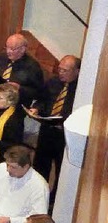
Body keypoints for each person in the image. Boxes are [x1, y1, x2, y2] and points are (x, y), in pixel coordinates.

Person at [30, 55, 80, 199]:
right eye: (60, 69)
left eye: (65, 70)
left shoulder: (81, 90)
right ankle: (37, 194)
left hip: (64, 135)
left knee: (61, 169)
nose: (61, 73)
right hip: (47, 130)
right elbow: (41, 99)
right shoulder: (53, 82)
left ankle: (55, 199)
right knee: (40, 166)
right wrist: (36, 109)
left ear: (76, 71)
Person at [0, 33, 44, 106]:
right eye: (7, 47)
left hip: (15, 105)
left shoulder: (32, 67)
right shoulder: (1, 58)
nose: (8, 51)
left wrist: (19, 88)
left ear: (22, 49)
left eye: (12, 48)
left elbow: (38, 93)